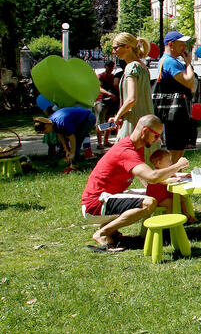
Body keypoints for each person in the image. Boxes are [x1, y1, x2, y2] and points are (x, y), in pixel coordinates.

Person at [81, 114, 189, 250]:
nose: (157, 140)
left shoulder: (136, 146)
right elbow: (152, 176)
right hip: (95, 204)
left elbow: (143, 175)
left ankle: (112, 230)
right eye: (155, 136)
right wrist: (177, 165)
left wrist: (155, 187)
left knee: (154, 196)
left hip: (107, 197)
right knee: (149, 202)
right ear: (145, 131)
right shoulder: (127, 151)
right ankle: (103, 233)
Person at [108, 33, 154, 157]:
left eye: (116, 47)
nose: (114, 51)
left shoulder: (131, 67)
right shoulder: (143, 67)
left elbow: (131, 99)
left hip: (133, 123)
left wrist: (118, 116)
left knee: (125, 160)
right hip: (146, 122)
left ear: (127, 47)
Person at [156, 31, 196, 163]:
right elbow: (189, 81)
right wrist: (188, 64)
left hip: (179, 109)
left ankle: (171, 173)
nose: (185, 47)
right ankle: (168, 175)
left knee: (180, 147)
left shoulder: (173, 61)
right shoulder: (169, 62)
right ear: (170, 44)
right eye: (181, 44)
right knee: (174, 148)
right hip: (173, 111)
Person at [143, 148, 195, 222]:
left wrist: (185, 175)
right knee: (171, 203)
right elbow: (164, 181)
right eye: (168, 160)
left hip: (166, 194)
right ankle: (169, 220)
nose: (171, 162)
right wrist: (174, 180)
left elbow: (175, 174)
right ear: (159, 163)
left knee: (182, 198)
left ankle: (186, 214)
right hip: (157, 197)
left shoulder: (166, 171)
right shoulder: (157, 173)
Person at [93, 60, 118, 149]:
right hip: (101, 101)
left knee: (110, 122)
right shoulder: (100, 76)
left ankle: (106, 141)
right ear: (105, 66)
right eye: (109, 67)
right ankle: (99, 143)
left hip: (111, 102)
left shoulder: (113, 77)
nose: (111, 69)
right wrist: (109, 94)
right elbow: (98, 88)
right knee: (100, 122)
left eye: (112, 67)